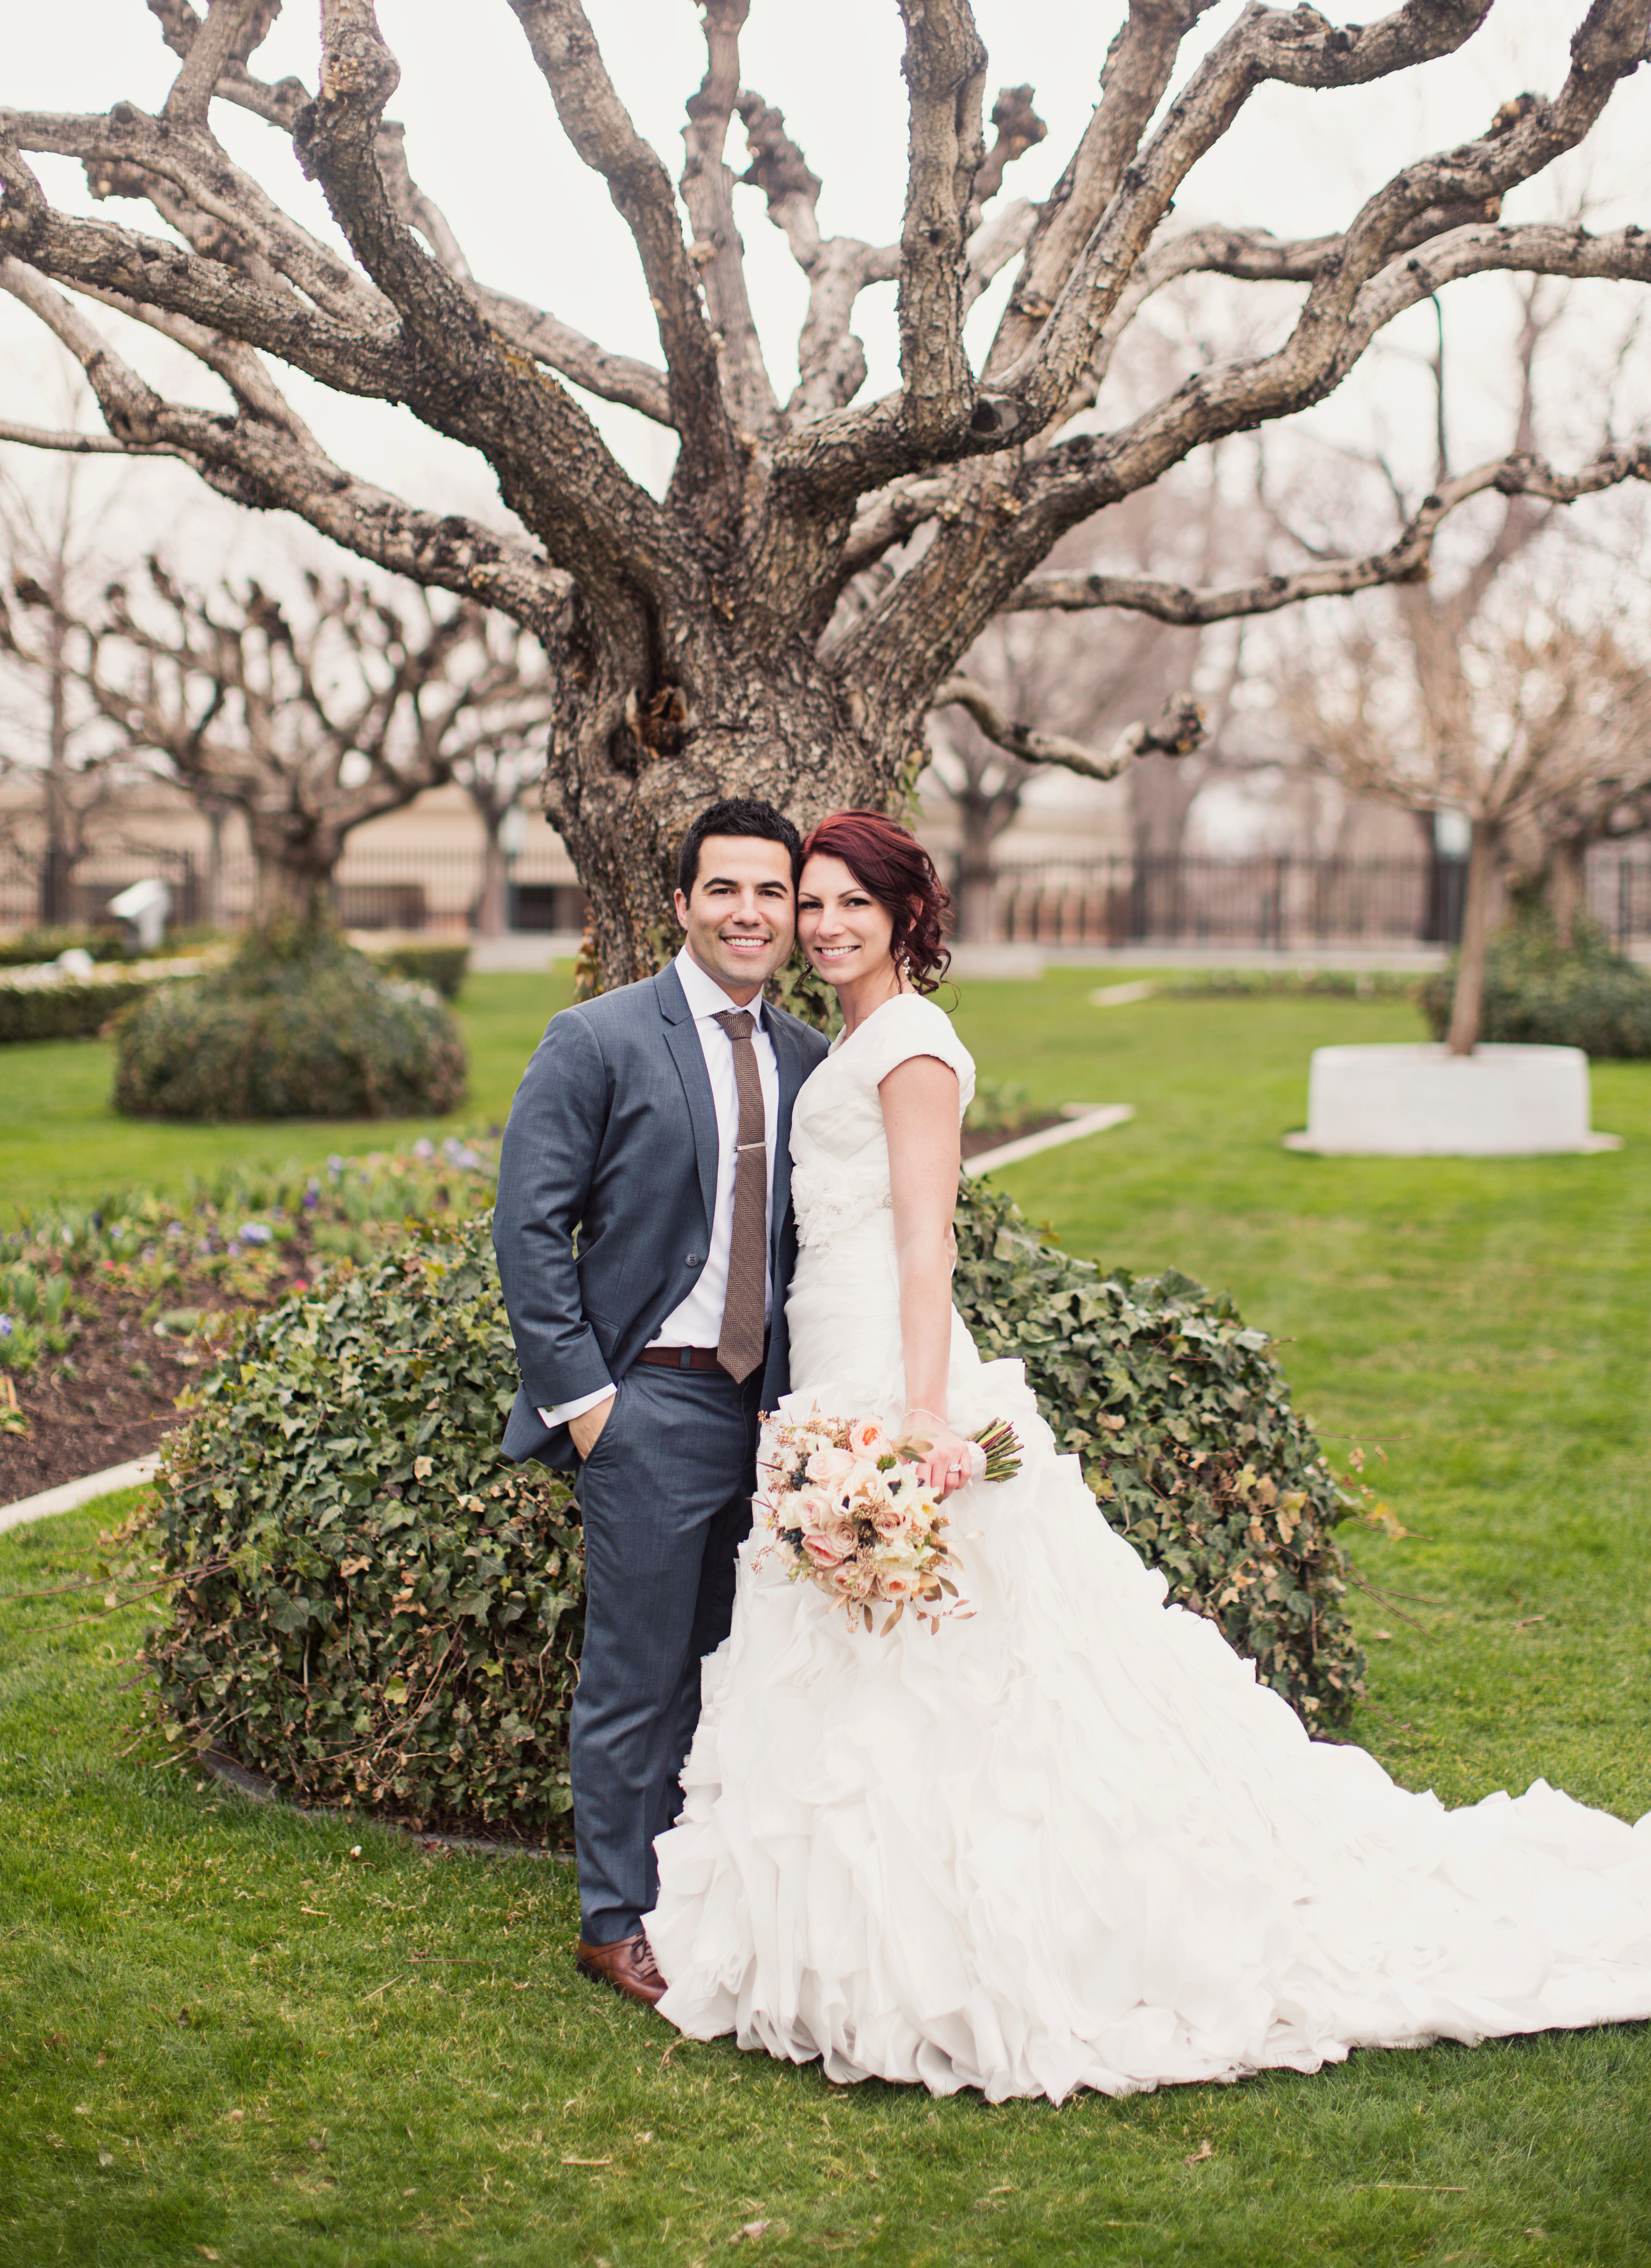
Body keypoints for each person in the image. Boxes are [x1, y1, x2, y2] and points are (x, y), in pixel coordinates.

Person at [645, 809, 1651, 2104]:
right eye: (815, 903)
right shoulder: (848, 1037)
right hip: (828, 1367)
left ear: (904, 914)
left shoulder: (908, 1047)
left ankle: (980, 1930)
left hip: (890, 1382)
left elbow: (923, 1245)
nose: (827, 925)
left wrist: (922, 1415)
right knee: (872, 1663)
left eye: (853, 904)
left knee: (951, 1666)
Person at [493, 799, 829, 2006]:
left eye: (772, 893)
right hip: (649, 1404)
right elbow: (528, 1228)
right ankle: (610, 1916)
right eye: (726, 889)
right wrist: (589, 1405)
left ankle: (698, 1888)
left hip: (774, 1418)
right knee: (634, 1672)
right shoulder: (596, 1037)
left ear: (794, 915)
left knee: (735, 1664)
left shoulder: (807, 1058)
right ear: (681, 902)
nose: (750, 912)